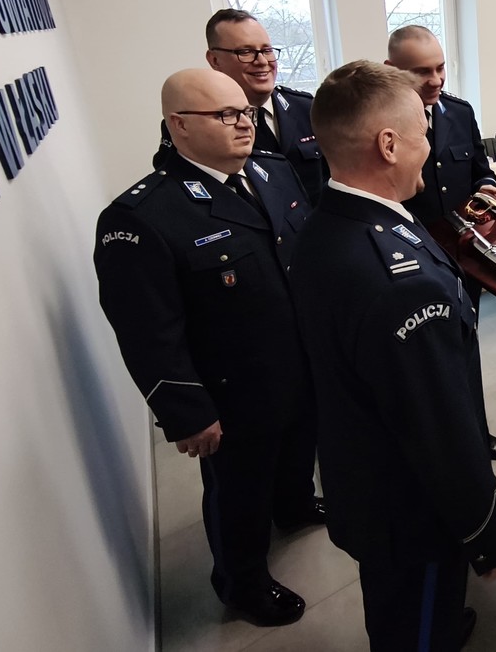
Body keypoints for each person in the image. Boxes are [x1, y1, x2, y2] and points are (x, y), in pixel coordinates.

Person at [289, 61, 496, 651]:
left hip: (362, 474)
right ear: (388, 145)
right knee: (415, 626)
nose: (429, 146)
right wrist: (485, 532)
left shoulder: (327, 224)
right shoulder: (397, 279)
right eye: (422, 134)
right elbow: (439, 428)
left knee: (397, 607)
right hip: (412, 509)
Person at [95, 69, 322, 627]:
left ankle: (294, 507)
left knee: (298, 452)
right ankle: (242, 584)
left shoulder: (272, 172)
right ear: (179, 125)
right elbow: (147, 331)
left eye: (245, 112)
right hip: (233, 390)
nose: (245, 124)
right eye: (225, 115)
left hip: (299, 362)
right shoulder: (142, 217)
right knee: (239, 493)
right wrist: (187, 412)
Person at [385, 24, 496, 462]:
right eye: (422, 71)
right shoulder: (379, 125)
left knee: (465, 349)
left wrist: (486, 187)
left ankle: (475, 434)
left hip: (461, 259)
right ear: (391, 70)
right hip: (409, 268)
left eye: (440, 68)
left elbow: (479, 168)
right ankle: (430, 450)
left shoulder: (458, 112)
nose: (436, 79)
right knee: (419, 364)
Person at [155, 9, 328, 205]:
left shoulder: (307, 108)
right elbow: (178, 192)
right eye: (245, 52)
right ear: (214, 60)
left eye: (267, 50)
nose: (262, 61)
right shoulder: (196, 122)